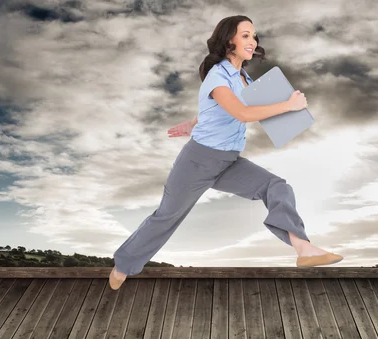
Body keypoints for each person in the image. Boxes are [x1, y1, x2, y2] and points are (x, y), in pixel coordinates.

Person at [109, 15, 343, 290]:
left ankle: (303, 248)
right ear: (228, 40)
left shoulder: (244, 77)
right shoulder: (217, 75)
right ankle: (124, 264)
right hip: (198, 161)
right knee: (167, 216)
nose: (252, 41)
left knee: (276, 186)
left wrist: (194, 122)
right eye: (245, 35)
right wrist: (289, 106)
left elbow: (224, 108)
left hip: (229, 161)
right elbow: (242, 113)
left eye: (254, 36)